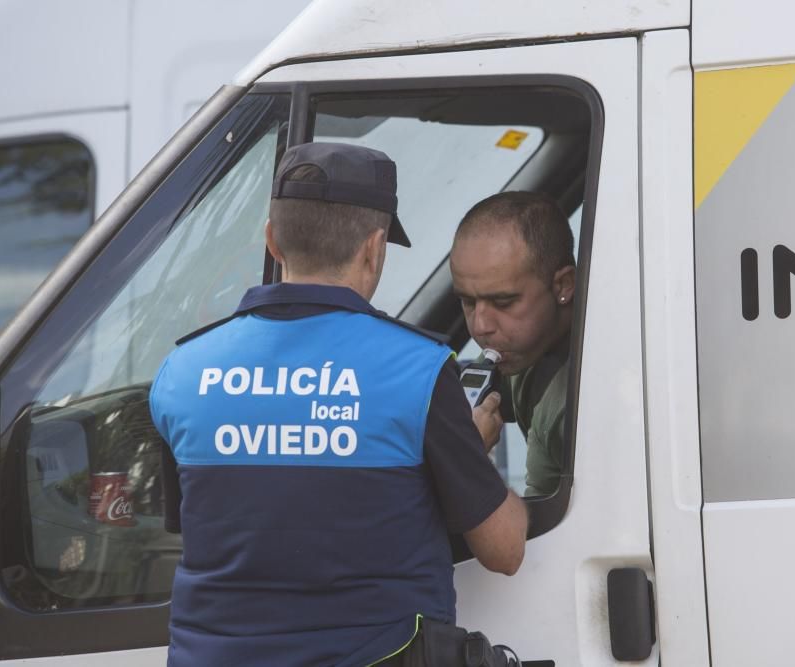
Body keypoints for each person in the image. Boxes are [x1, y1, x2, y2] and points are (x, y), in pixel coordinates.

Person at [149, 142, 527, 667]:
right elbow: (504, 550)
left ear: (272, 241)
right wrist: (470, 451)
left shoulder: (182, 373)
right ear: (374, 248)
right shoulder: (415, 369)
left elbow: (219, 526)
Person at [450, 192, 576, 497]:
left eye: (503, 302)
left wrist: (463, 463)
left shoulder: (575, 405)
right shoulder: (521, 346)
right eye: (467, 302)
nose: (481, 326)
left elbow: (540, 534)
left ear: (562, 286)